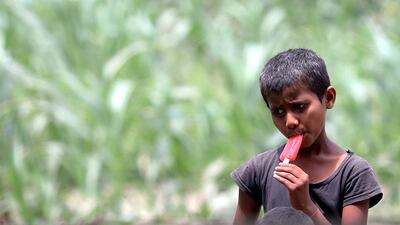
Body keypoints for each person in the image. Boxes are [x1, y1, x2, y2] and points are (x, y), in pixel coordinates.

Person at [231, 48, 383, 225]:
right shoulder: (258, 170)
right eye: (278, 112)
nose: (290, 122)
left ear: (329, 98)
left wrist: (306, 206)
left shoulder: (353, 173)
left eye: (299, 107)